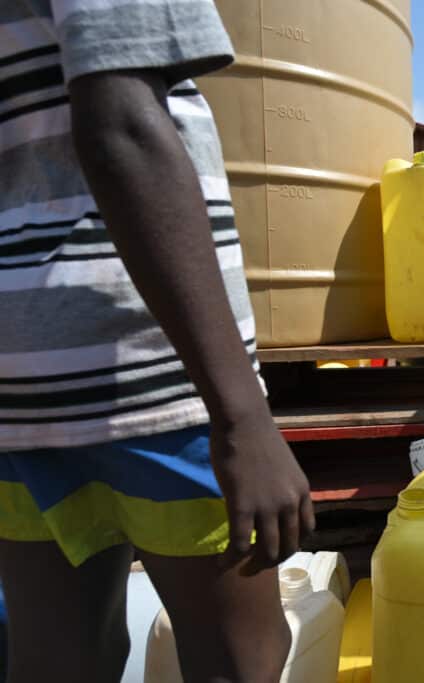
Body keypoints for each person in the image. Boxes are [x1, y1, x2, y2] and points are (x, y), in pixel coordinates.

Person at [0, 2, 314, 681]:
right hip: (154, 365)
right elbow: (122, 126)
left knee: (57, 663)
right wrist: (241, 414)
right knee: (242, 659)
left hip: (20, 373)